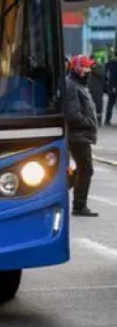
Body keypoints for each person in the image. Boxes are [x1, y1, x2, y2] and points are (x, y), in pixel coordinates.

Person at [66, 55, 99, 218]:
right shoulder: (73, 86)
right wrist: (87, 123)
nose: (89, 70)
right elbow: (72, 114)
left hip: (80, 135)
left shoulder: (78, 85)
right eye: (86, 67)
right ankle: (79, 205)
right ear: (78, 69)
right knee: (86, 169)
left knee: (83, 168)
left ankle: (55, 190)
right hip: (78, 135)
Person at [105, 50, 117, 125]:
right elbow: (114, 76)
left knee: (110, 103)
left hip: (111, 86)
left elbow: (105, 73)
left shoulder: (110, 63)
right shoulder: (112, 64)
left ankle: (107, 120)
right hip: (113, 86)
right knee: (110, 104)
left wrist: (107, 82)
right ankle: (107, 120)